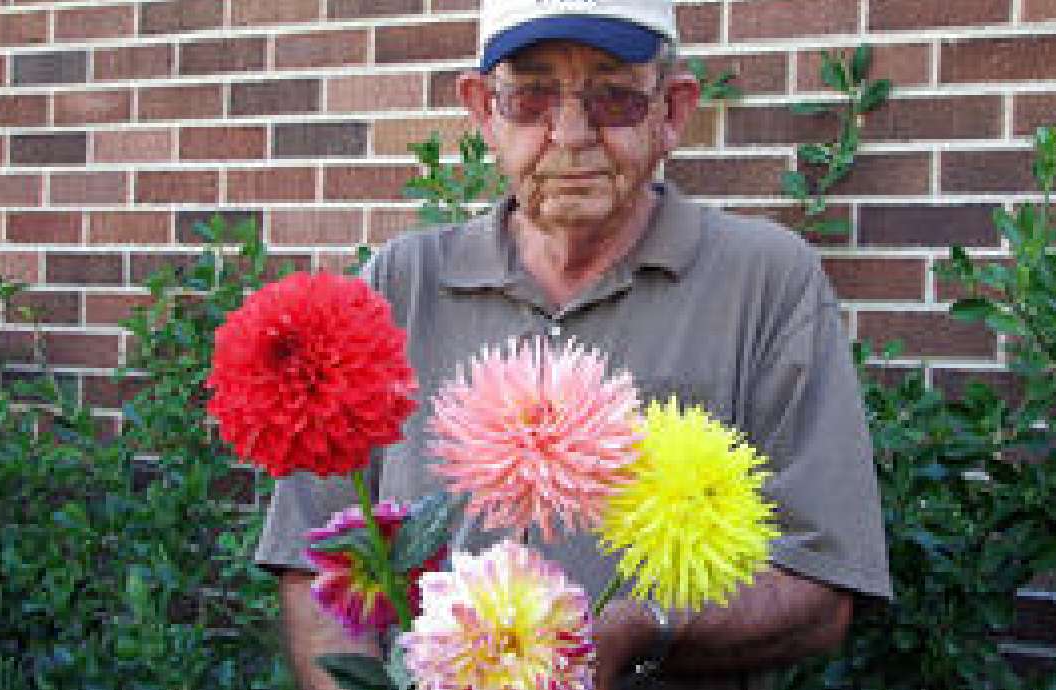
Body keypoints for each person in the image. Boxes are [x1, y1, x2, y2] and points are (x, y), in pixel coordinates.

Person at [254, 1, 892, 688]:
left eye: (613, 97)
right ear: (484, 111)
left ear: (672, 111)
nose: (570, 134)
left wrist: (644, 630)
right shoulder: (398, 285)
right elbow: (315, 560)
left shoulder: (765, 281)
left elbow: (822, 583)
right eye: (531, 96)